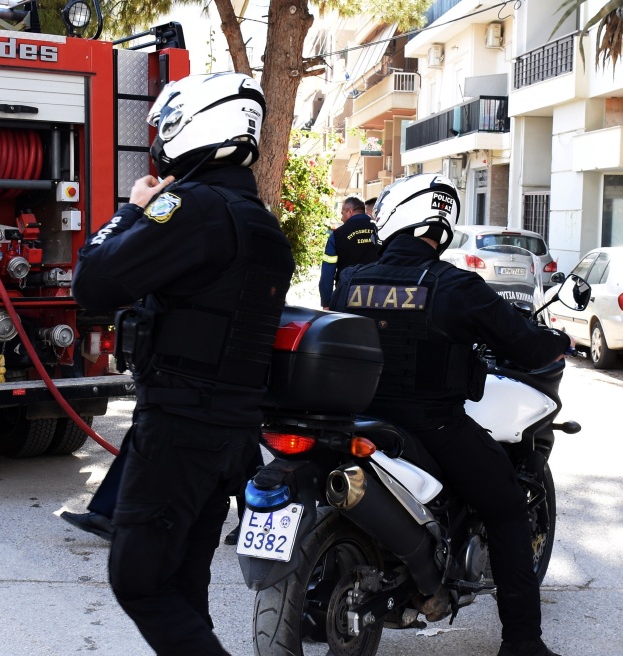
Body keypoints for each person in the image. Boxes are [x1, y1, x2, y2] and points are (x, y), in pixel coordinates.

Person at [72, 72, 295, 655]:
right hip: (232, 431)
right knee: (182, 585)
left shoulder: (189, 206)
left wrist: (132, 211)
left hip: (179, 424)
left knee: (139, 581)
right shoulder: (260, 220)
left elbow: (94, 283)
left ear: (192, 125)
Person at [330, 173, 571, 656]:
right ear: (440, 227)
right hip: (432, 425)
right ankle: (523, 642)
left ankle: (319, 613)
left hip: (356, 420)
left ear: (396, 217)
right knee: (505, 508)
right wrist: (558, 341)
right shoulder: (453, 285)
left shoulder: (353, 280)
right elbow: (521, 342)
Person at [319, 195, 379, 309]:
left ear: (350, 212)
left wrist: (326, 302)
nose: (342, 219)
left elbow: (328, 271)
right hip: (377, 295)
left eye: (342, 213)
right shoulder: (379, 230)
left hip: (346, 294)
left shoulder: (337, 235)